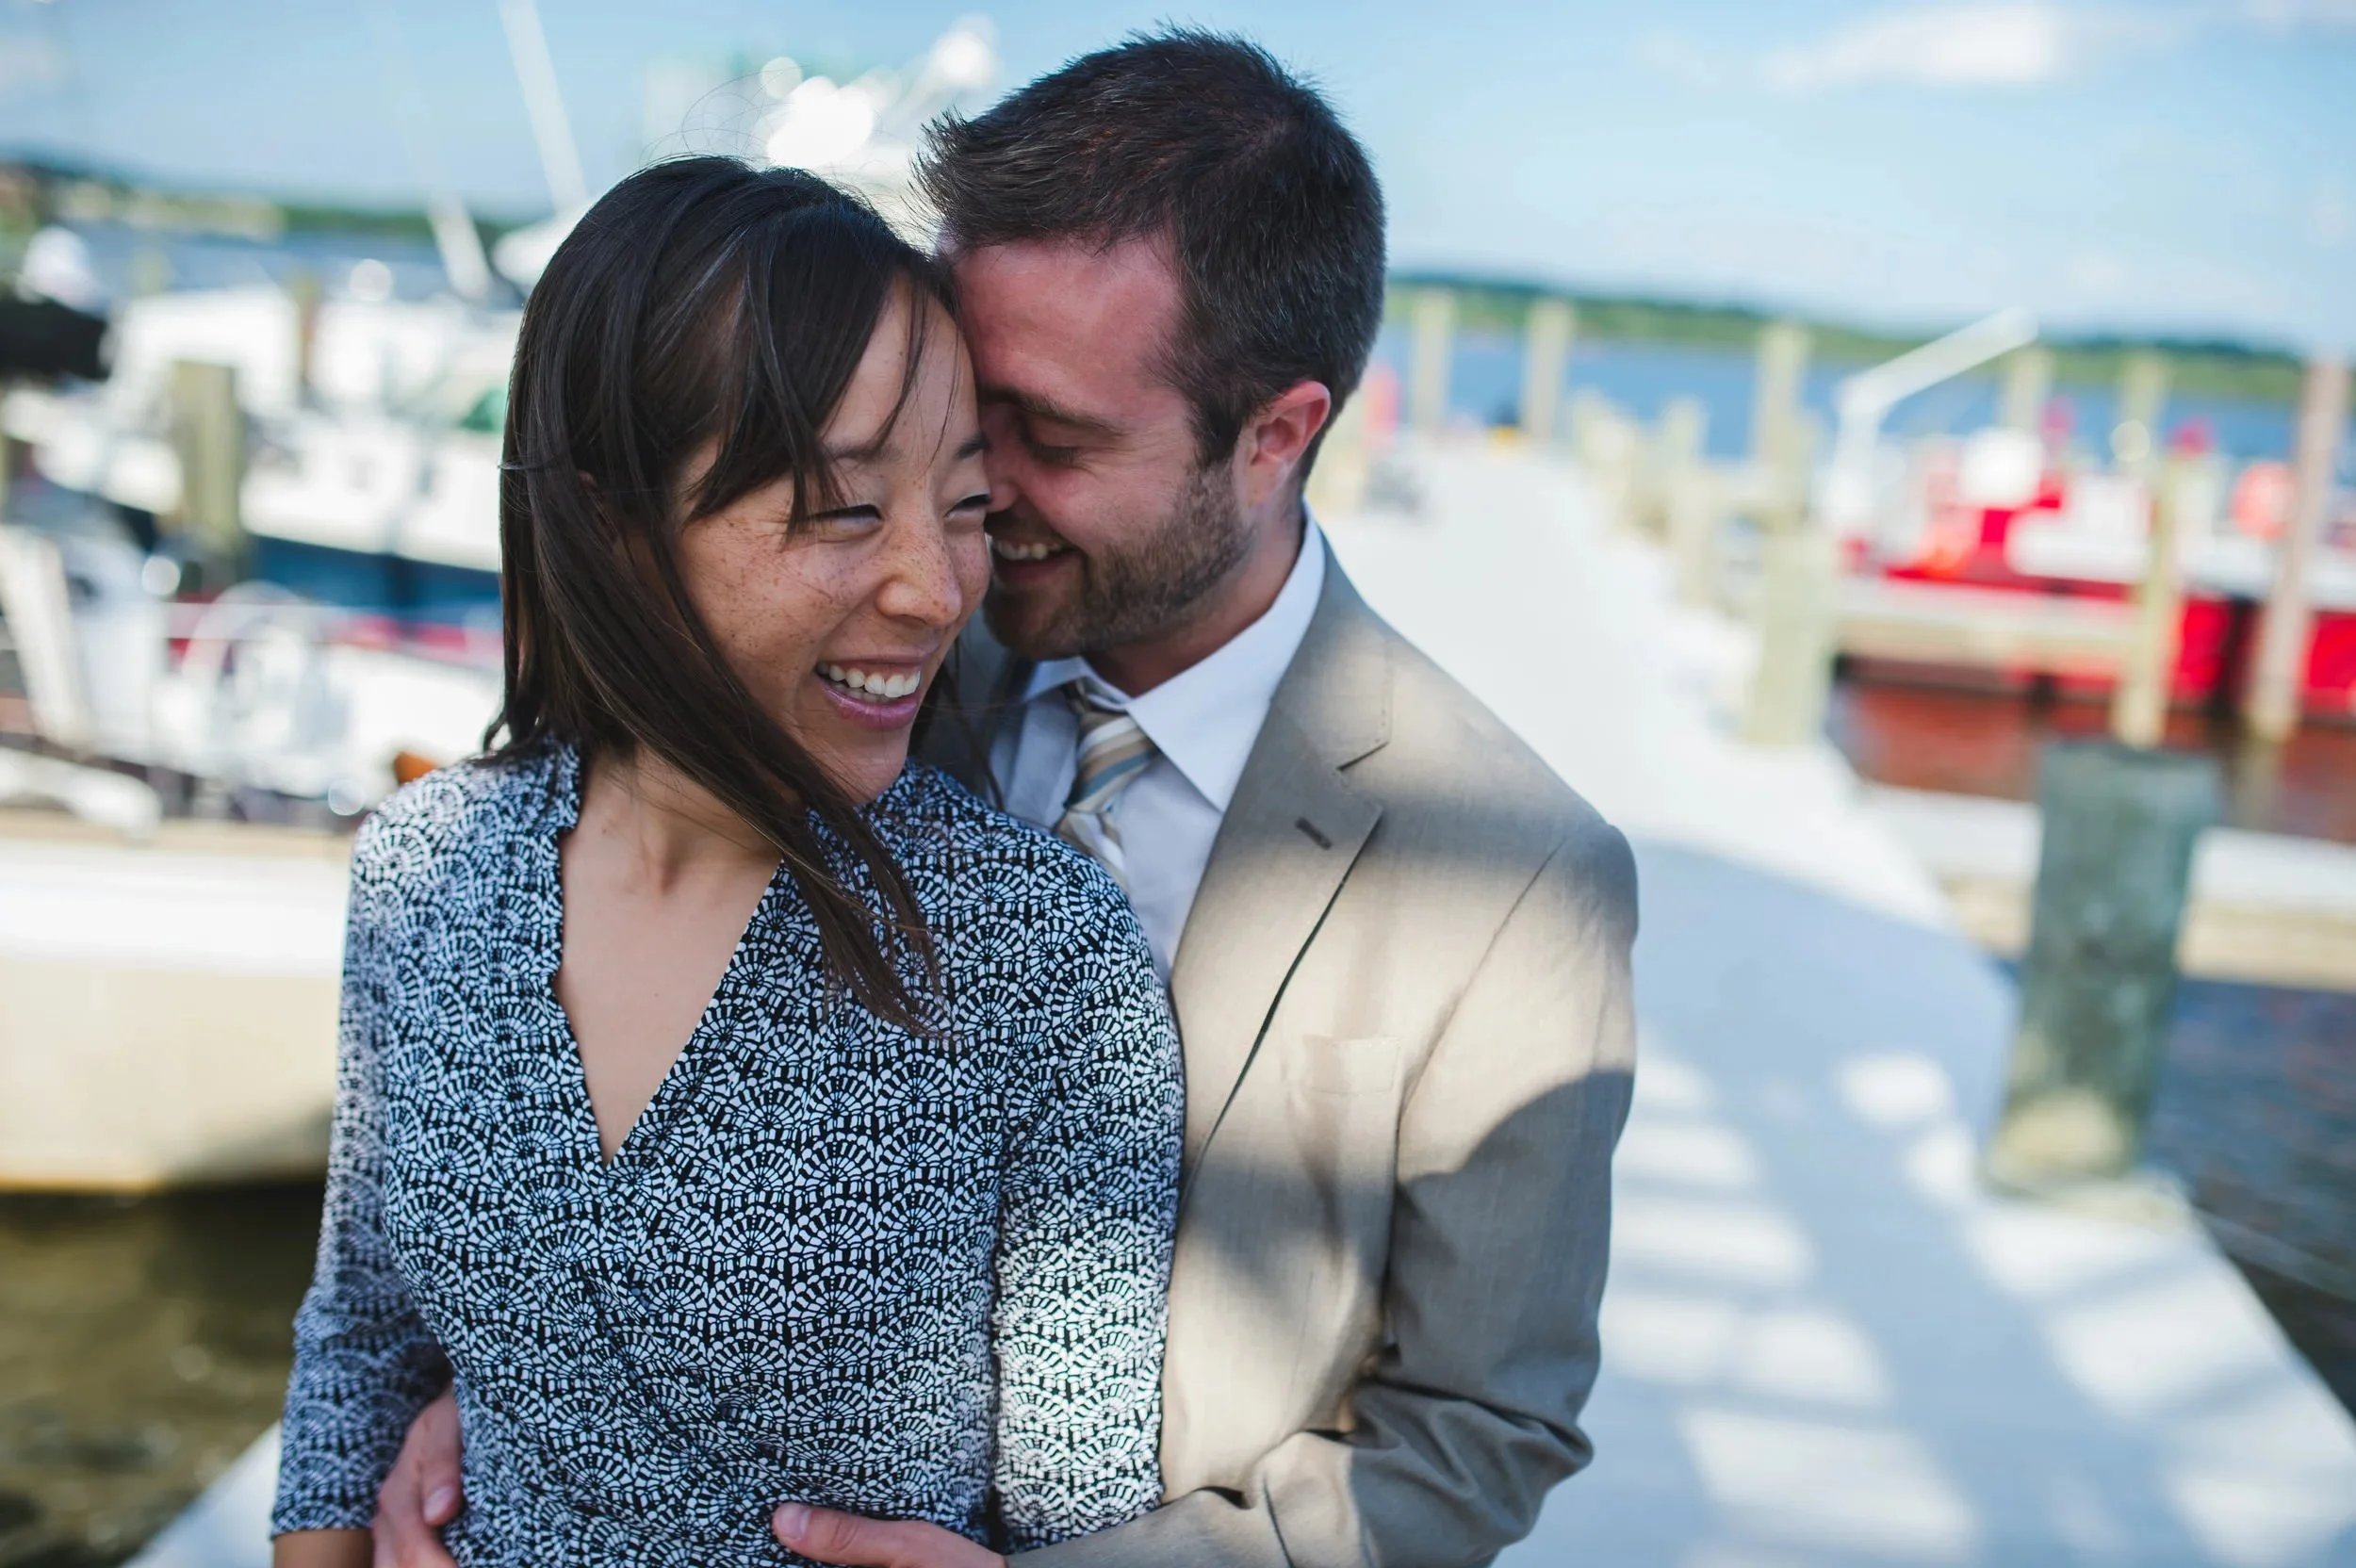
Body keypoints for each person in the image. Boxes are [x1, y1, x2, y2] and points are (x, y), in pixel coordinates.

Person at [379, 31, 1637, 1568]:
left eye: (1050, 438)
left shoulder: (1517, 878)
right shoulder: (839, 666)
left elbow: (1476, 1432)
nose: (969, 502)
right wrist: (511, 1373)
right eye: (955, 419)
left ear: (1274, 437)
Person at [269, 157, 1183, 1568]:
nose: (938, 589)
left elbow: (1084, 1515)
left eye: (963, 506)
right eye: (844, 508)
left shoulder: (1037, 952)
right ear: (613, 522)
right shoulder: (427, 868)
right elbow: (359, 1347)